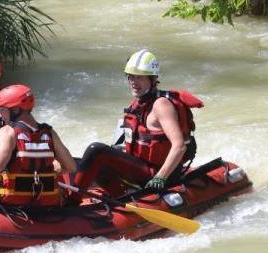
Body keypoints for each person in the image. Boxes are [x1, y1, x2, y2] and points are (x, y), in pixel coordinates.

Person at [72, 49, 201, 195]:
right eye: (131, 77)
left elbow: (179, 146)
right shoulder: (139, 103)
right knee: (86, 161)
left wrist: (160, 178)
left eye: (139, 78)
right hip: (141, 168)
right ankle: (120, 196)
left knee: (95, 150)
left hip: (157, 173)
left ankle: (72, 201)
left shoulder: (161, 105)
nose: (133, 82)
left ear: (152, 79)